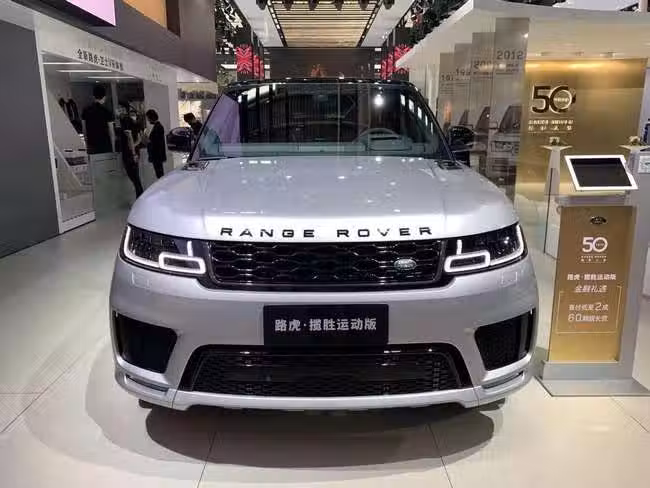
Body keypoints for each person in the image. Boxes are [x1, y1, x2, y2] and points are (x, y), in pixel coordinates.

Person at [118, 102, 144, 198]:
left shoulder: (125, 122)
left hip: (129, 155)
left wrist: (133, 152)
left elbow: (129, 137)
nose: (118, 111)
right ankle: (140, 198)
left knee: (135, 179)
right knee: (136, 178)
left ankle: (140, 198)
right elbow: (139, 138)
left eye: (119, 109)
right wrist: (134, 147)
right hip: (134, 153)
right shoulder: (133, 123)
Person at [81, 85, 115, 154]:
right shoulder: (107, 111)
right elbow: (111, 132)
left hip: (92, 144)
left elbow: (84, 130)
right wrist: (113, 149)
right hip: (105, 144)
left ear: (93, 97)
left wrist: (87, 145)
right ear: (104, 97)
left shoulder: (86, 110)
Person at [145, 109, 166, 179]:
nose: (148, 120)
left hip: (157, 156)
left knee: (159, 174)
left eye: (148, 118)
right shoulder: (157, 127)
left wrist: (147, 140)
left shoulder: (158, 127)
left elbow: (156, 143)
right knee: (159, 174)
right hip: (157, 155)